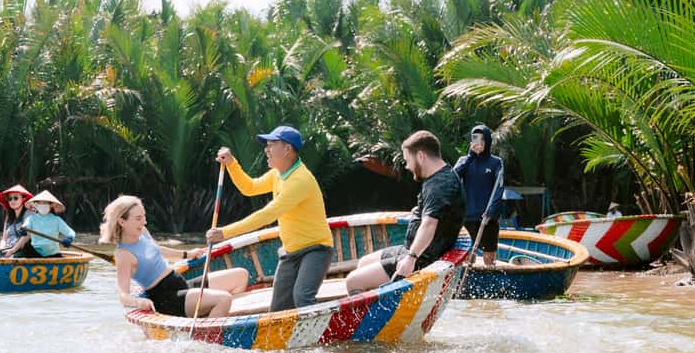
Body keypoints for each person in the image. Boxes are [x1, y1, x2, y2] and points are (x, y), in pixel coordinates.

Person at [205, 125, 334, 312]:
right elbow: (250, 188)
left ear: (287, 149)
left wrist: (225, 232)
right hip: (291, 252)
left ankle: (325, 330)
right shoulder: (278, 174)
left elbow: (267, 215)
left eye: (272, 145)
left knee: (302, 297)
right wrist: (232, 164)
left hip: (316, 249)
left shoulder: (300, 180)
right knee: (278, 309)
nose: (266, 149)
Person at [345, 130, 465, 293]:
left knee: (352, 281)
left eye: (408, 160)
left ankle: (382, 308)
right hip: (411, 250)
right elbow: (439, 211)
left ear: (421, 156)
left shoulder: (438, 186)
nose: (407, 166)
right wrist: (418, 211)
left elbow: (429, 224)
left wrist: (411, 259)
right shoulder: (444, 175)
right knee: (363, 263)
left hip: (422, 259)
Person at [100, 195, 248, 317]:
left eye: (144, 216)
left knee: (241, 276)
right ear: (122, 221)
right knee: (224, 298)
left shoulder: (142, 232)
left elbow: (157, 250)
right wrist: (138, 302)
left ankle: (214, 314)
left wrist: (188, 254)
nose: (144, 222)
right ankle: (208, 334)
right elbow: (123, 296)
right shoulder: (123, 255)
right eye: (138, 218)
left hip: (181, 285)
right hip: (168, 299)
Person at [453, 124, 504, 267]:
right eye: (476, 139)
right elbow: (452, 178)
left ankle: (490, 276)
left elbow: (499, 188)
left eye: (483, 139)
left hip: (487, 217)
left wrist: (491, 212)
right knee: (468, 258)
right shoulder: (464, 160)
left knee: (489, 257)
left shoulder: (496, 162)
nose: (479, 142)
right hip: (467, 216)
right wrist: (470, 156)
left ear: (488, 141)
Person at [0, 184, 38, 258]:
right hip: (8, 250)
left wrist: (12, 251)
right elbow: (4, 239)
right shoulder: (9, 217)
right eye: (10, 199)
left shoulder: (29, 214)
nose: (12, 201)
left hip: (22, 251)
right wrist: (2, 250)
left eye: (16, 198)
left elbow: (27, 236)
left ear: (23, 199)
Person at [20, 190, 76, 258]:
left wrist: (69, 238)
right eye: (39, 203)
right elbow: (25, 226)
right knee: (26, 246)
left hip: (53, 253)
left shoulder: (56, 220)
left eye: (45, 203)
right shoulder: (31, 219)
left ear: (51, 205)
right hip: (35, 253)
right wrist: (23, 230)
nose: (42, 205)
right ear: (35, 205)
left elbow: (71, 232)